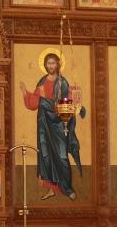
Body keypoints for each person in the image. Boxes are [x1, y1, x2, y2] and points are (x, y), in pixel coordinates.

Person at [20, 52, 83, 200]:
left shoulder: (63, 82)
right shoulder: (42, 81)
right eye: (48, 63)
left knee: (61, 155)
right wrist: (25, 92)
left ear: (58, 65)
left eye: (53, 63)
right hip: (44, 123)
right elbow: (34, 103)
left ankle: (67, 188)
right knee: (45, 154)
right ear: (45, 65)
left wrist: (44, 100)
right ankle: (51, 189)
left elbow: (63, 104)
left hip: (58, 123)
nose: (50, 66)